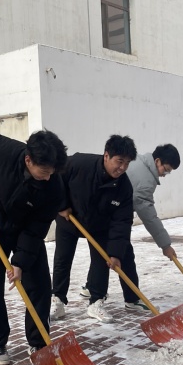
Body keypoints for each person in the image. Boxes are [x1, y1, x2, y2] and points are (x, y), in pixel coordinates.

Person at [0, 131, 68, 365]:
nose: (48, 177)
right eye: (44, 171)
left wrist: (19, 261)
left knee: (39, 285)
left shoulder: (54, 185)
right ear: (29, 160)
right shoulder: (0, 149)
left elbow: (37, 227)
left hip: (26, 232)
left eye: (52, 172)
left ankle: (39, 342)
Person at [78, 144, 181, 312]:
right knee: (123, 255)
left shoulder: (137, 161)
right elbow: (148, 216)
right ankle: (131, 299)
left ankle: (90, 287)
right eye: (166, 170)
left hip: (100, 215)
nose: (164, 174)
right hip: (112, 219)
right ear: (157, 161)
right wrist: (165, 245)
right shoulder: (146, 181)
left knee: (102, 253)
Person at [50, 135, 136, 324]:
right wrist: (61, 205)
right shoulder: (79, 164)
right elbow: (55, 178)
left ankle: (96, 302)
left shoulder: (124, 187)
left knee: (101, 261)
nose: (122, 167)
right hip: (69, 219)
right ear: (106, 156)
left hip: (99, 226)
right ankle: (58, 300)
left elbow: (122, 221)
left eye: (127, 163)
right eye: (119, 161)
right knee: (62, 259)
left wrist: (116, 253)